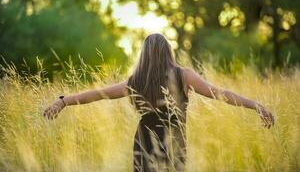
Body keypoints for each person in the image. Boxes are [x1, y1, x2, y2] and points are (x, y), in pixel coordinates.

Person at [43, 33, 275, 172]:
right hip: (174, 141)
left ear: (144, 54)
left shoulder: (135, 81)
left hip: (143, 140)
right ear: (168, 52)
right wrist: (256, 105)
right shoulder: (183, 75)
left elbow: (96, 94)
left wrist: (63, 101)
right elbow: (221, 93)